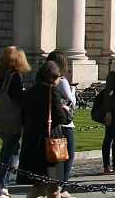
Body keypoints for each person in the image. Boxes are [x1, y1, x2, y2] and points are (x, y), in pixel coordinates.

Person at [16, 60, 71, 198]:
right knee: (45, 186)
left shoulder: (29, 92)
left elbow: (23, 117)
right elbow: (61, 118)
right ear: (54, 77)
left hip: (32, 141)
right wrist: (67, 110)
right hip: (49, 143)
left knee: (48, 185)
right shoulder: (52, 91)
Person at [0, 46, 30, 198]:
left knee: (14, 149)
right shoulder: (15, 77)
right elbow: (19, 99)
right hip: (11, 120)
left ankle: (5, 186)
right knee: (6, 155)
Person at [44, 51, 77, 195]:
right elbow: (71, 101)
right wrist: (73, 91)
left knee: (55, 155)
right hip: (64, 122)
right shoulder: (62, 80)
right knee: (67, 155)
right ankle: (62, 187)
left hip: (51, 122)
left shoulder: (44, 79)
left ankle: (54, 185)